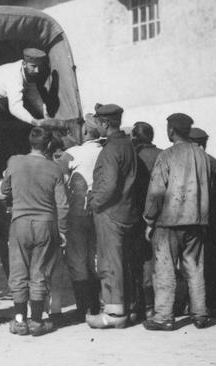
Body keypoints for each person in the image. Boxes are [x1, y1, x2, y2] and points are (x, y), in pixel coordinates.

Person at [0, 127, 68, 336]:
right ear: (47, 145)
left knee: (18, 271)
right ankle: (36, 321)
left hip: (19, 223)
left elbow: (2, 193)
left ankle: (19, 321)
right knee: (40, 272)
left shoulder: (14, 162)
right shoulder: (54, 169)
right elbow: (62, 205)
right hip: (45, 224)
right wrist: (61, 230)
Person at [142, 113, 211, 331]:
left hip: (169, 222)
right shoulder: (202, 156)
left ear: (171, 130)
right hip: (196, 222)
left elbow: (155, 192)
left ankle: (164, 316)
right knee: (195, 267)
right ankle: (200, 314)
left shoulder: (167, 155)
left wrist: (149, 219)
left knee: (165, 269)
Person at [86, 103, 139, 329]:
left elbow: (108, 186)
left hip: (110, 213)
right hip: (127, 211)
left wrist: (94, 202)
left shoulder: (110, 150)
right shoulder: (128, 145)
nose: (95, 125)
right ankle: (129, 308)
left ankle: (114, 314)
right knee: (125, 262)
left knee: (110, 262)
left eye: (97, 121)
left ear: (105, 123)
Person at [0, 48, 58, 178]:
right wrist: (35, 121)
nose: (37, 71)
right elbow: (15, 107)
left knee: (8, 136)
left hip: (0, 102)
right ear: (24, 64)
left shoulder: (29, 72)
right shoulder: (14, 76)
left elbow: (33, 95)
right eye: (34, 67)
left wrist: (45, 114)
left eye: (39, 67)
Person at [57, 114, 104, 322]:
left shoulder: (72, 153)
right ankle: (97, 304)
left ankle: (83, 307)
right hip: (100, 213)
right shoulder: (104, 151)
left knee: (77, 260)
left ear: (85, 131)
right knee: (96, 257)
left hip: (77, 213)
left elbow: (57, 176)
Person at [188, 127, 216, 314]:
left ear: (196, 144)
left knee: (198, 263)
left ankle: (202, 303)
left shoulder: (192, 164)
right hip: (210, 223)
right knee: (209, 262)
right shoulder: (214, 164)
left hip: (197, 223)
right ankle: (209, 302)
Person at [130, 121, 162, 320]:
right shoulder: (163, 154)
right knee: (157, 263)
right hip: (160, 216)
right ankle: (154, 306)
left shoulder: (134, 156)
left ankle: (140, 305)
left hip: (137, 215)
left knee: (138, 261)